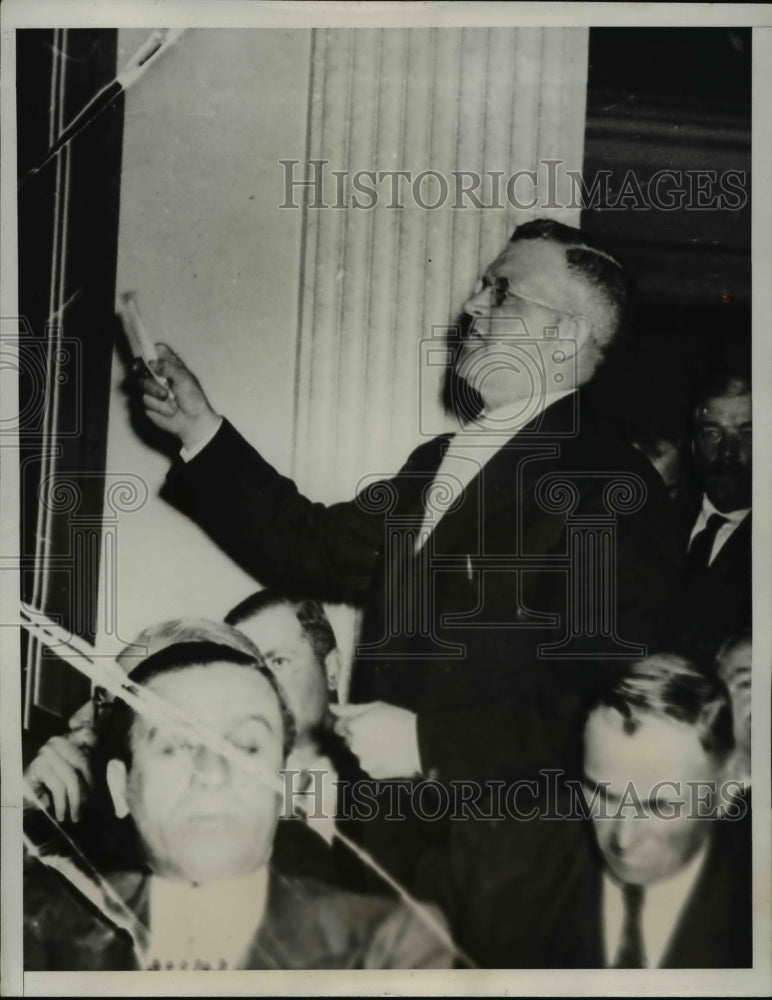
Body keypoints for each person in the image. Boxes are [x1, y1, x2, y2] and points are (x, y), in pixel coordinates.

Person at [136, 218, 682, 882]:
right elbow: (313, 549)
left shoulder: (611, 485)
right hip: (391, 846)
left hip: (503, 871)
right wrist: (199, 426)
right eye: (482, 285)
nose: (472, 305)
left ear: (564, 336)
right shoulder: (437, 462)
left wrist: (429, 744)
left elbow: (616, 710)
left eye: (502, 291)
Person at [23, 633, 456, 971]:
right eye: (176, 746)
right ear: (122, 788)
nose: (213, 774)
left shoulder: (390, 942)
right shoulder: (38, 925)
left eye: (245, 747)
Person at [415, 652, 751, 968]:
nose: (622, 837)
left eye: (659, 804)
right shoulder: (492, 861)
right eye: (601, 793)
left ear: (728, 787)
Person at [672, 367, 751, 663]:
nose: (727, 453)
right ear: (693, 445)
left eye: (747, 433)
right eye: (712, 433)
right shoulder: (657, 520)